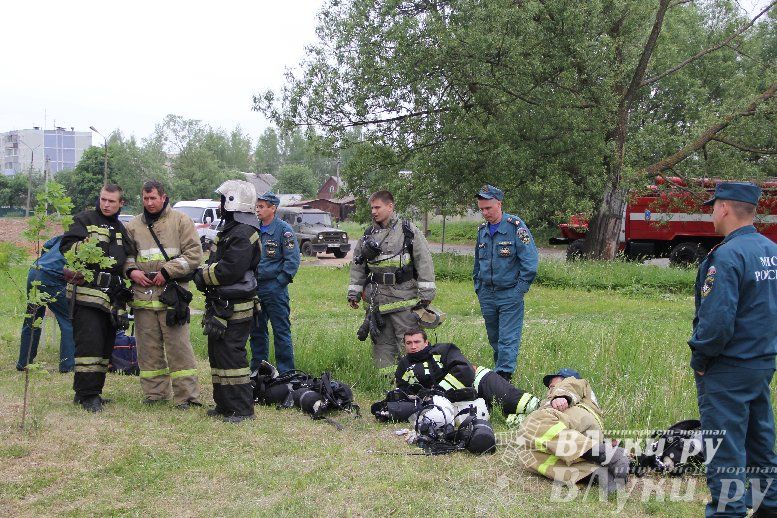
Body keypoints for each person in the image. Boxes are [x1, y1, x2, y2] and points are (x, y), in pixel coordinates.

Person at [688, 182, 777, 517]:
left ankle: (728, 512)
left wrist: (701, 358)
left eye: (713, 206)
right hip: (762, 361)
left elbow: (717, 321)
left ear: (724, 208)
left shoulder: (727, 256)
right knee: (759, 441)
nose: (712, 213)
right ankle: (769, 506)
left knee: (725, 450)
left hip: (728, 366)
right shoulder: (771, 250)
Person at [123, 180, 203, 409]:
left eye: (153, 198)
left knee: (179, 348)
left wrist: (168, 272)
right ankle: (155, 393)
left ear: (163, 197)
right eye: (145, 198)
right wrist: (132, 271)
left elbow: (194, 255)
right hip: (142, 296)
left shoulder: (181, 221)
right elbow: (126, 256)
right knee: (148, 349)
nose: (149, 203)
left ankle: (187, 397)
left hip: (172, 296)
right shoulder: (133, 226)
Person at [60, 184, 134, 413]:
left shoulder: (121, 228)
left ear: (121, 203)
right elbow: (67, 247)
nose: (106, 204)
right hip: (86, 295)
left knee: (104, 348)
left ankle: (93, 392)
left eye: (112, 201)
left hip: (110, 298)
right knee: (89, 346)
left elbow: (128, 257)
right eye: (103, 199)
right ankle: (86, 395)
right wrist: (83, 249)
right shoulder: (84, 220)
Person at [194, 180, 261, 423]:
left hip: (236, 307)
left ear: (232, 202)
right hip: (222, 304)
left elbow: (230, 269)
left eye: (223, 200)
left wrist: (202, 275)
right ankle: (224, 405)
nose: (220, 205)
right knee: (219, 355)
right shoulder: (232, 230)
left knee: (233, 358)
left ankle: (242, 410)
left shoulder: (244, 233)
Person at [347, 190, 436, 374]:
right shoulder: (367, 235)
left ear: (390, 206)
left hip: (404, 301)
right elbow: (357, 266)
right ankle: (387, 382)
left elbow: (424, 260)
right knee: (382, 344)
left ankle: (414, 380)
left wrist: (427, 294)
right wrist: (353, 293)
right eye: (372, 207)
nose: (373, 211)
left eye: (377, 207)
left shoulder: (408, 231)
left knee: (409, 341)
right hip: (377, 303)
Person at [513, 368, 629, 494]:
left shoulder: (574, 385)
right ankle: (597, 473)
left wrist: (562, 396)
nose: (550, 390)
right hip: (580, 437)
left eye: (553, 385)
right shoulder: (553, 400)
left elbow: (572, 385)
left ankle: (612, 455)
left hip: (579, 420)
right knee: (527, 455)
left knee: (533, 423)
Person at [394, 329, 540, 424]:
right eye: (409, 343)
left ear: (426, 342)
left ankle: (546, 407)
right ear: (404, 345)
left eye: (417, 342)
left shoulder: (443, 349)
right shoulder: (404, 366)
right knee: (501, 416)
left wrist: (439, 390)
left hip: (478, 380)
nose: (413, 346)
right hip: (460, 399)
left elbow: (465, 370)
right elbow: (404, 391)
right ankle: (530, 420)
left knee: (516, 402)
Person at [473, 184, 538, 382]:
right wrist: (478, 286)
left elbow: (530, 262)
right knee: (494, 337)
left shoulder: (515, 227)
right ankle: (498, 371)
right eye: (481, 209)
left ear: (499, 204)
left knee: (507, 338)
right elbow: (477, 262)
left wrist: (519, 290)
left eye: (488, 208)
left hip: (510, 292)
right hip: (487, 293)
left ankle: (504, 377)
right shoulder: (482, 230)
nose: (485, 213)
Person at [247, 191, 300, 374]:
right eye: (257, 206)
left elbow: (292, 261)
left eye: (262, 206)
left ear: (273, 208)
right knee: (257, 332)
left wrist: (279, 283)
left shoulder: (283, 230)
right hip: (255, 288)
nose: (258, 210)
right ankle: (259, 372)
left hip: (275, 288)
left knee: (281, 332)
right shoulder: (254, 229)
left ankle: (286, 374)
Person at [17, 235, 75, 373]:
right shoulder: (86, 240)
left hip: (35, 272)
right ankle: (68, 366)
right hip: (52, 277)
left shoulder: (66, 234)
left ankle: (24, 362)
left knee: (32, 319)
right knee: (69, 320)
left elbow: (46, 246)